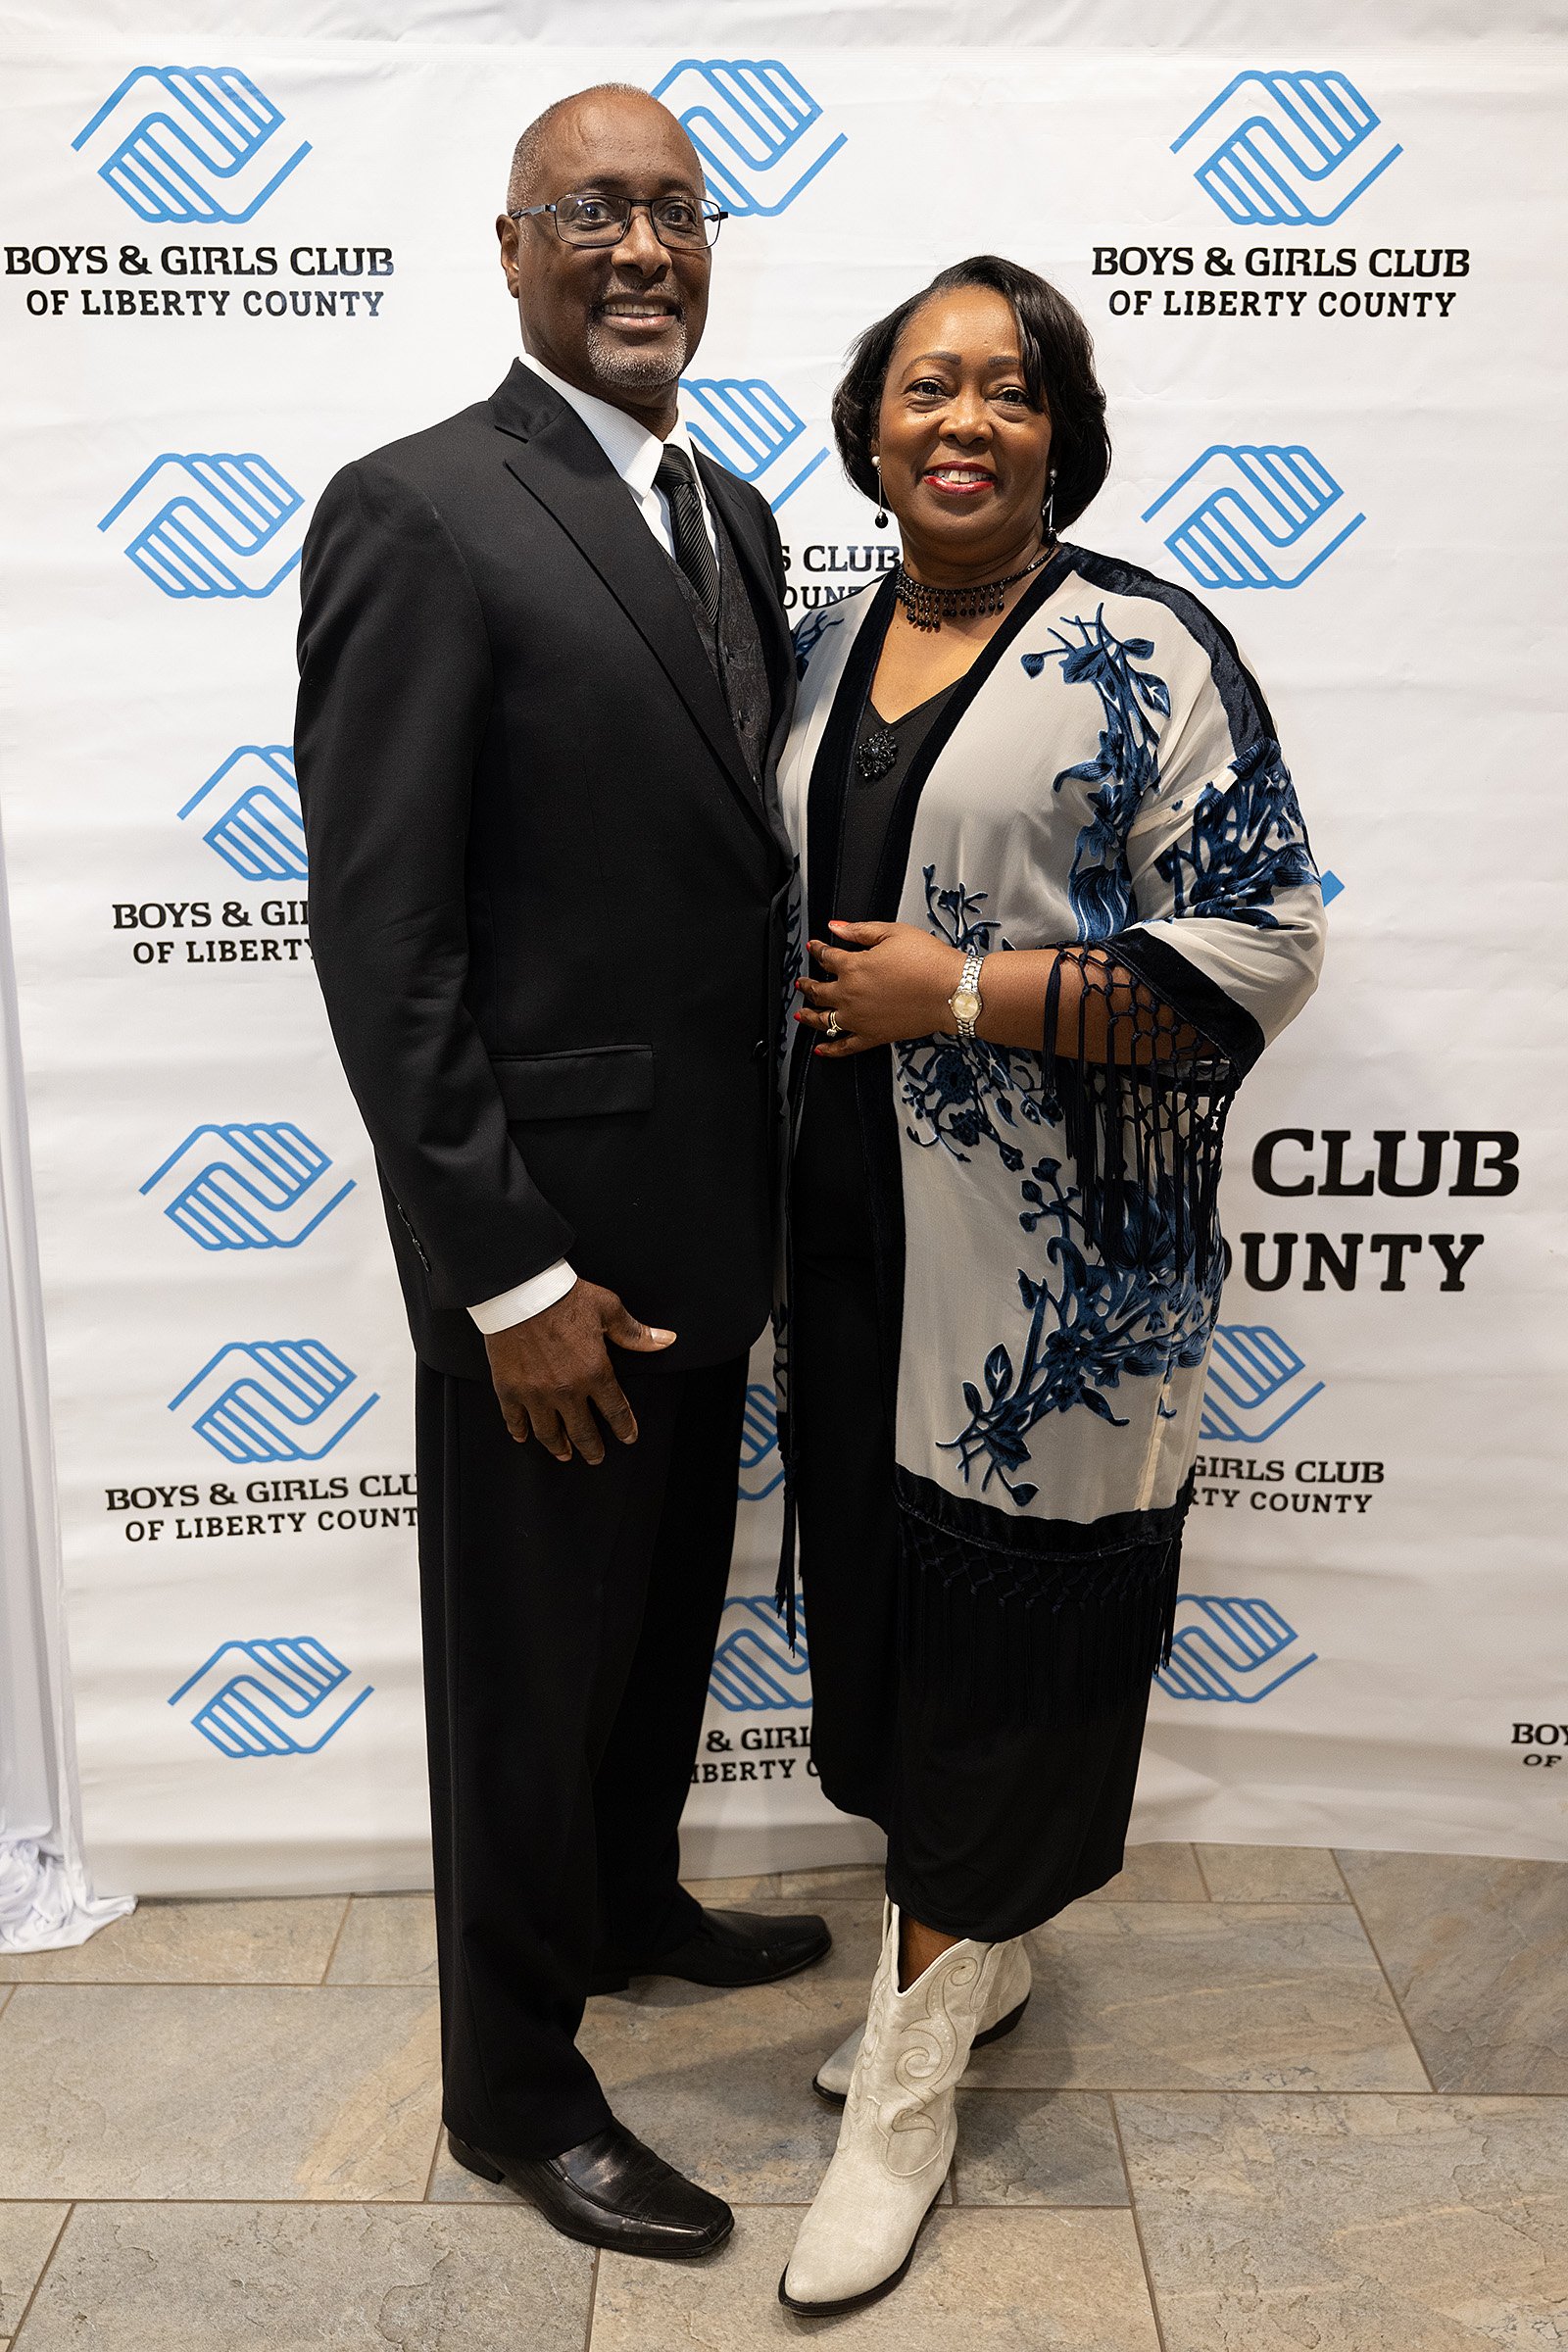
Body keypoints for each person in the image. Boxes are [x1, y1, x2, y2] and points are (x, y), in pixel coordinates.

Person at [294, 83, 827, 2264]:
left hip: (715, 1208)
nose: (642, 250)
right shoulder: (414, 511)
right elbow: (385, 931)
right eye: (593, 213)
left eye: (676, 214)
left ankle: (624, 1907)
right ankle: (513, 2083)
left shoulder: (735, 516)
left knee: (657, 1632)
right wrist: (504, 1277)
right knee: (528, 1674)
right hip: (545, 1250)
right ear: (508, 249)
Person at [773, 254, 1327, 2315]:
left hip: (1053, 1287)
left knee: (1000, 1660)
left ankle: (901, 2094)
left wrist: (965, 990)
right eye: (926, 385)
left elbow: (1261, 947)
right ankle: (964, 1962)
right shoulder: (830, 642)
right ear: (872, 420)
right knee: (894, 1638)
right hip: (846, 1240)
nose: (962, 423)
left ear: (1056, 431)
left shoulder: (1140, 647)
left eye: (1007, 391)